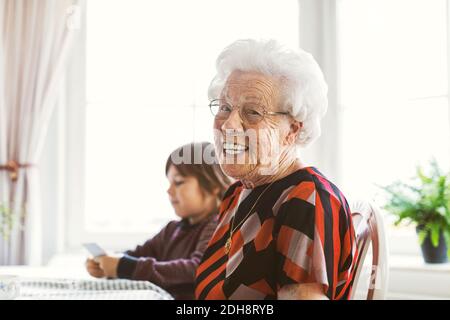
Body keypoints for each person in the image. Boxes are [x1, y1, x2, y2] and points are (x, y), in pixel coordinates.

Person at [195, 39, 358, 300]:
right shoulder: (237, 194)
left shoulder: (307, 199)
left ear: (293, 129)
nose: (228, 126)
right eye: (225, 107)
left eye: (253, 112)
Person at [86, 142, 232, 299]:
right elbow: (138, 254)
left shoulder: (218, 225)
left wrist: (123, 266)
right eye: (169, 183)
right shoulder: (172, 230)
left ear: (213, 185)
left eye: (178, 182)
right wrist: (108, 262)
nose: (169, 190)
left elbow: (196, 268)